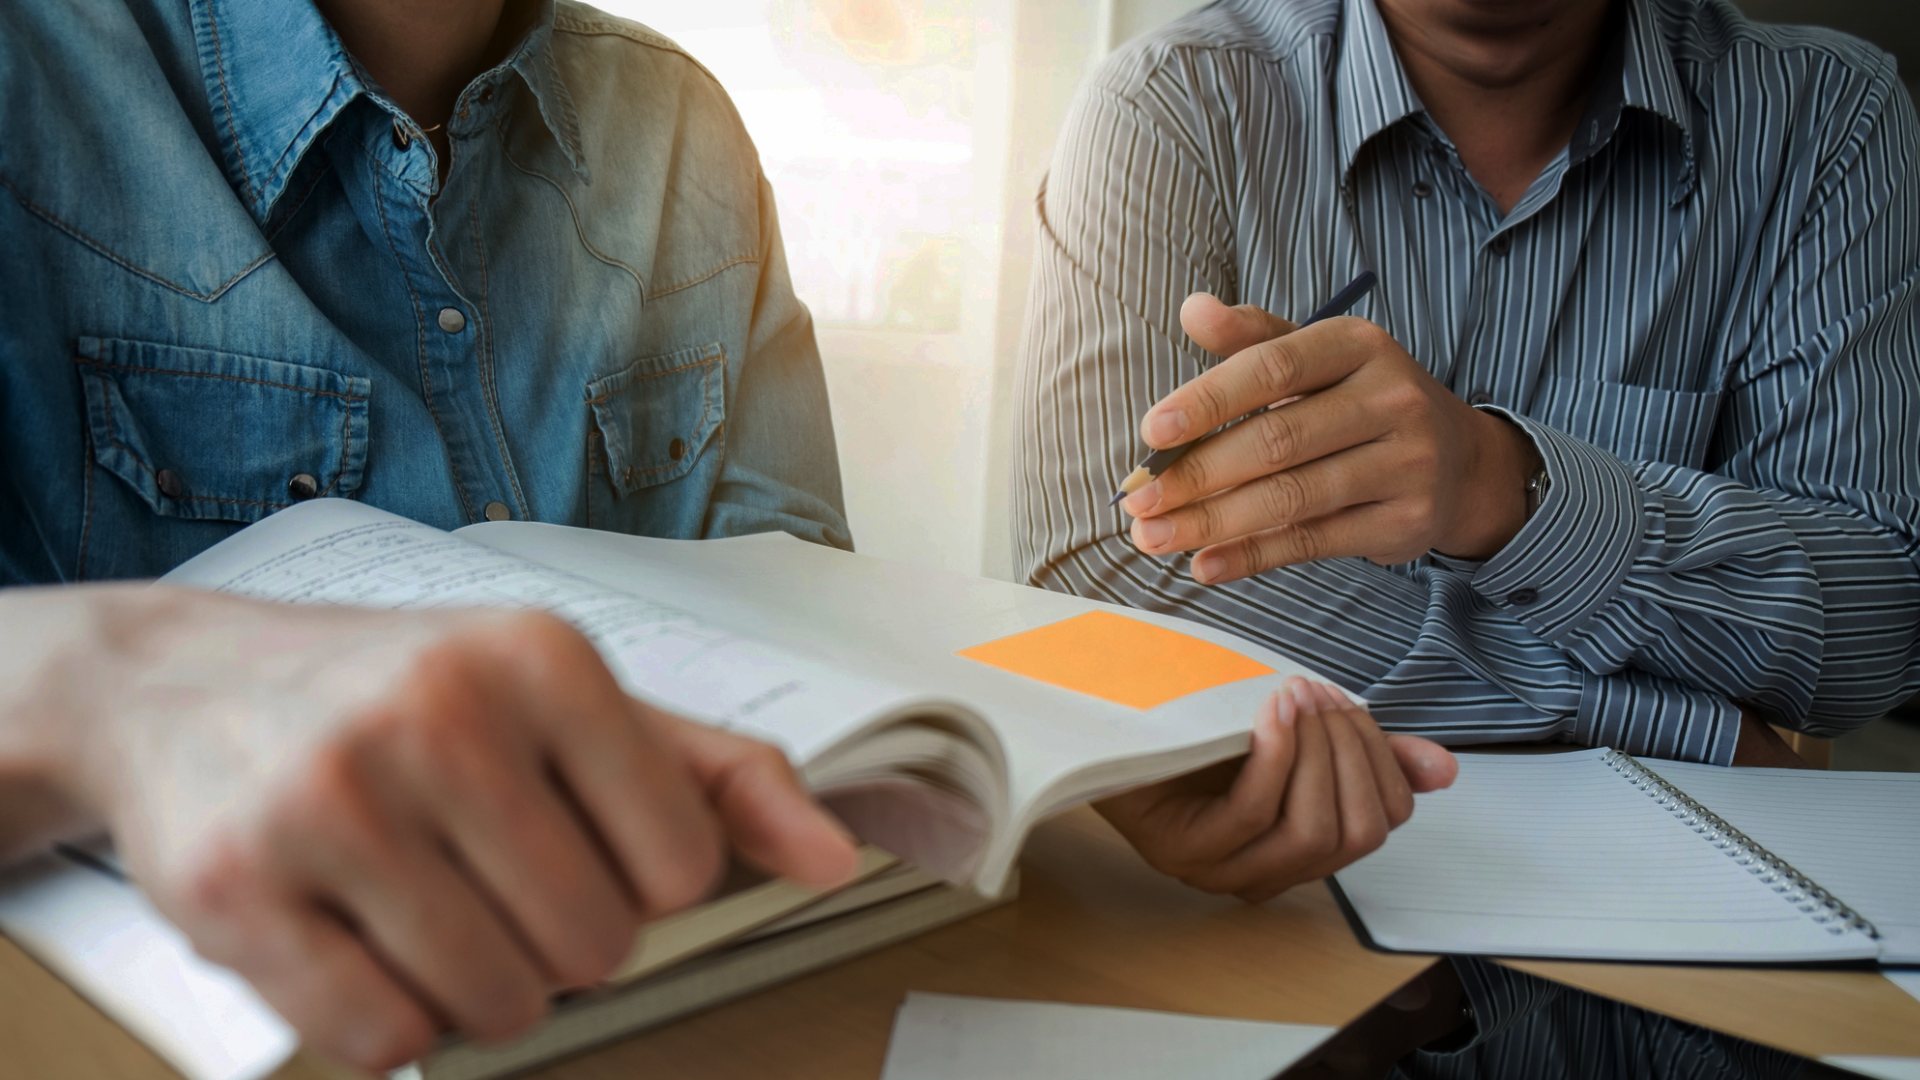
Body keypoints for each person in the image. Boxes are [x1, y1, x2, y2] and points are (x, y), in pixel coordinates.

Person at [1016, 0, 1919, 1067]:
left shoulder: (1828, 116)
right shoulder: (1177, 102)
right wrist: (1690, 728)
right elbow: (1103, 579)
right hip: (1276, 927)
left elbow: (1871, 631)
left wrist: (1504, 485)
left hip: (1673, 978)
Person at [0, 0, 867, 1069]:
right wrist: (118, 681)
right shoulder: (26, 75)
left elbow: (811, 617)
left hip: (697, 1005)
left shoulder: (681, 122)